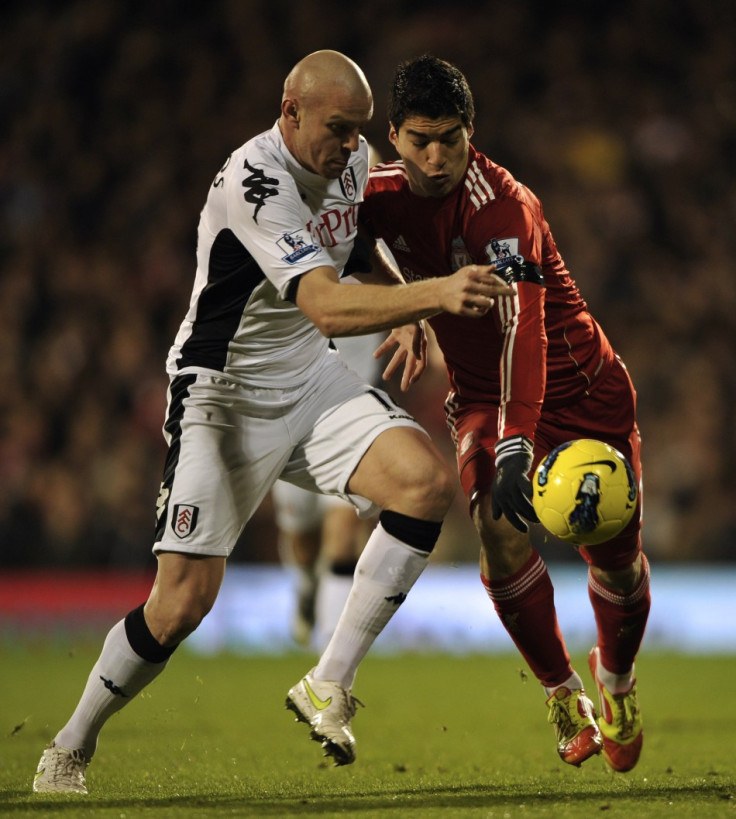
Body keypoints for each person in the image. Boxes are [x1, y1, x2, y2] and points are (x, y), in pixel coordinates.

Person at [32, 50, 514, 794]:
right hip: (220, 395)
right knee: (182, 603)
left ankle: (329, 682)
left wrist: (401, 297)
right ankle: (69, 744)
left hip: (308, 378)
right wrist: (433, 297)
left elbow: (354, 245)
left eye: (360, 131)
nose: (353, 147)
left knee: (421, 483)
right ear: (289, 112)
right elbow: (322, 301)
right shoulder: (255, 183)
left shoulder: (353, 159)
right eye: (337, 129)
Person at [356, 55, 650, 773]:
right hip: (485, 396)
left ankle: (617, 680)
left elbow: (525, 329)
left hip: (582, 392)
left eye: (450, 138)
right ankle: (562, 691)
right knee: (495, 528)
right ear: (394, 135)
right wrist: (406, 306)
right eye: (420, 138)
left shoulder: (504, 206)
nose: (435, 156)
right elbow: (353, 248)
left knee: (617, 567)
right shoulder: (378, 194)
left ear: (471, 132)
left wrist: (520, 441)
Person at [271, 331, 385, 649]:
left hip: (354, 420)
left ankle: (330, 651)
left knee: (345, 535)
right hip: (294, 422)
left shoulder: (380, 279)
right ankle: (307, 586)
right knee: (302, 542)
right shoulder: (298, 281)